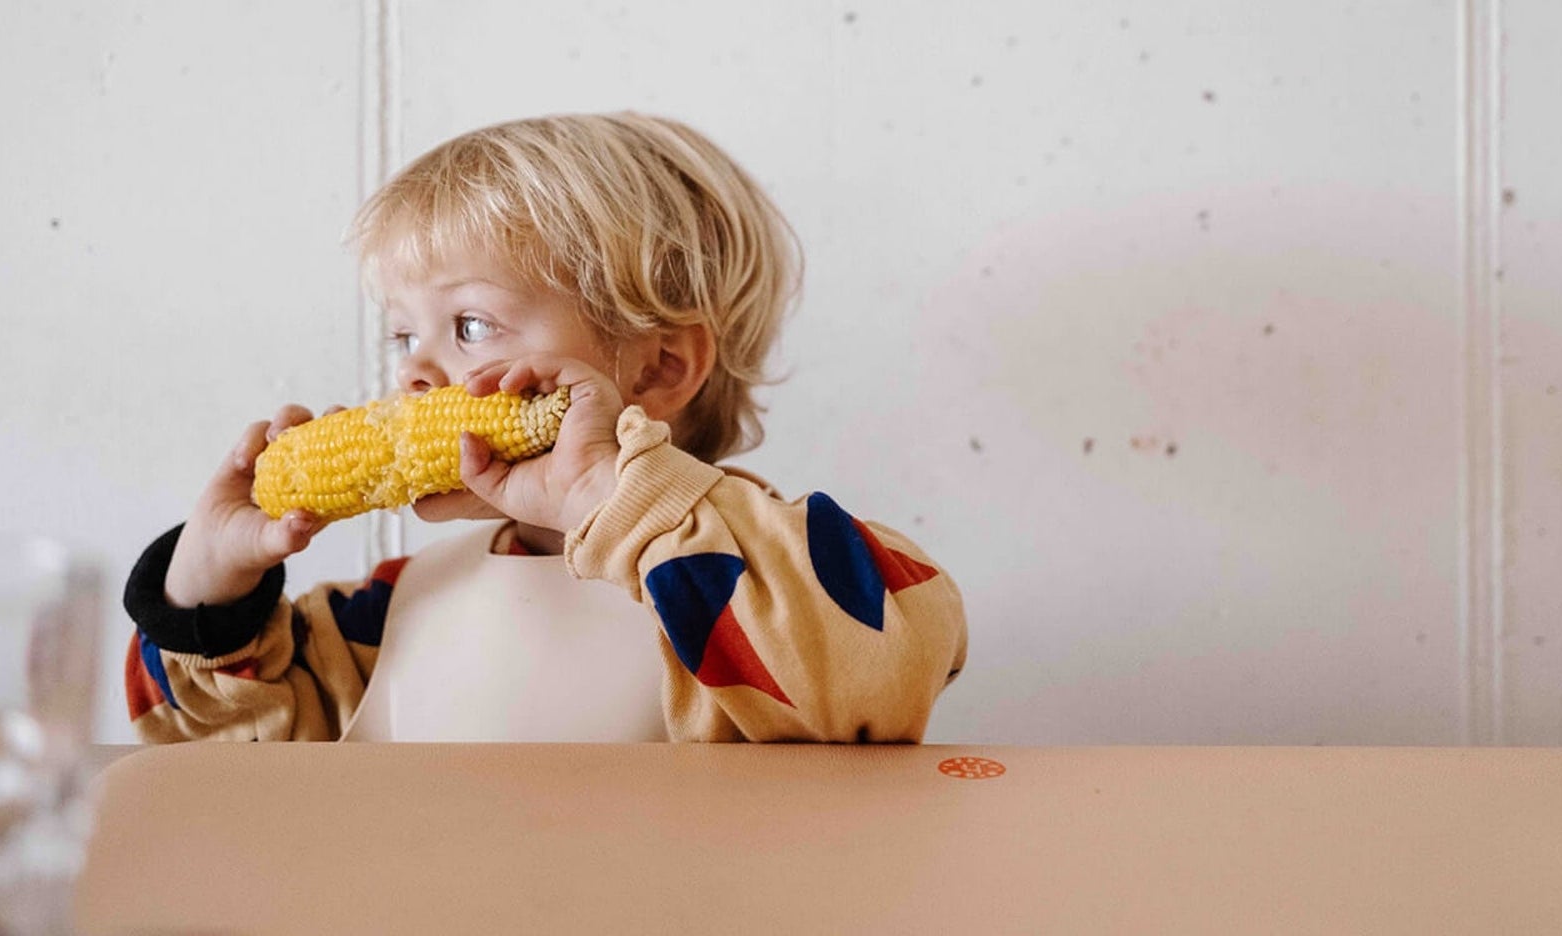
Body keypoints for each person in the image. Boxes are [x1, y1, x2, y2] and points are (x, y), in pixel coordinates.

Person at [120, 113, 967, 743]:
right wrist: (212, 585)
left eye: (473, 326)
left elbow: (895, 663)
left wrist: (610, 490)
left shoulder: (743, 583)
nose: (416, 374)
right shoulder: (396, 608)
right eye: (404, 336)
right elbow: (205, 744)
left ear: (660, 369)